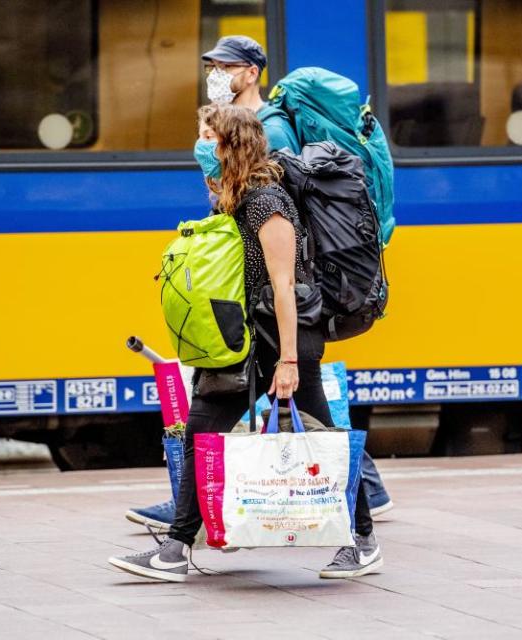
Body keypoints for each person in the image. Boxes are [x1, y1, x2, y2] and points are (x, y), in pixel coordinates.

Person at [126, 35, 393, 532]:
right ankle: (184, 531)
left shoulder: (269, 155)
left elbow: (284, 233)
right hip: (260, 315)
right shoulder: (246, 172)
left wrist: (289, 353)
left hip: (278, 312)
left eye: (226, 65)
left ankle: (361, 519)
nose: (216, 72)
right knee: (228, 419)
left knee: (312, 423)